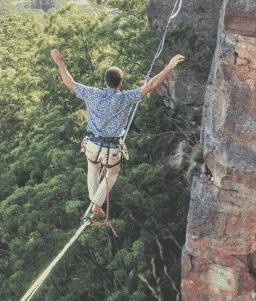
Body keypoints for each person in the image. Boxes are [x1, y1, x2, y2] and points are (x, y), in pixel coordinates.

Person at [50, 49, 185, 217]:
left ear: (105, 80)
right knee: (112, 173)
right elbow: (151, 84)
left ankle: (95, 202)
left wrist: (60, 63)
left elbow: (70, 83)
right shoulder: (126, 97)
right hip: (112, 149)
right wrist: (170, 66)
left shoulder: (92, 93)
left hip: (92, 145)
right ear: (121, 82)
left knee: (93, 169)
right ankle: (96, 203)